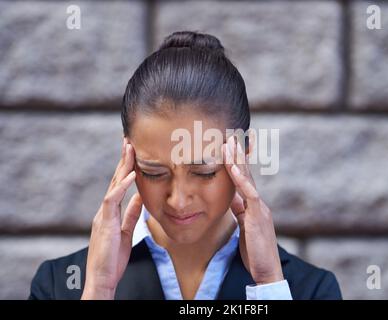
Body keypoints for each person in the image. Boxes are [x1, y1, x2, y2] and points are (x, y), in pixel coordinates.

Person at [29, 31, 342, 300]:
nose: (178, 201)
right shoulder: (60, 285)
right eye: (154, 172)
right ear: (128, 155)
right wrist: (98, 288)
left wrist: (268, 282)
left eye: (204, 172)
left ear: (244, 153)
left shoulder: (306, 289)